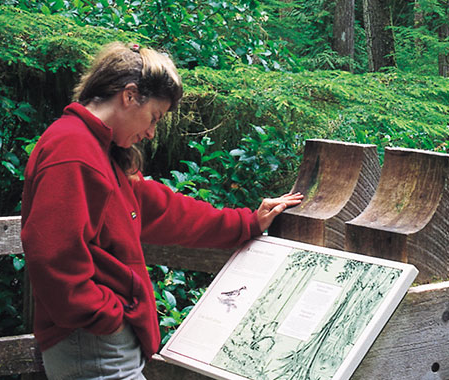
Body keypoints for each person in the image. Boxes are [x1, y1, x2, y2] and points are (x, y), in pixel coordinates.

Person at [20, 42, 303, 380]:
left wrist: (248, 222)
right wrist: (106, 315)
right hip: (91, 344)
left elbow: (170, 211)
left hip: (100, 343)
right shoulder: (73, 148)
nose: (152, 132)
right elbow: (52, 255)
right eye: (153, 117)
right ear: (129, 95)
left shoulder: (100, 152)